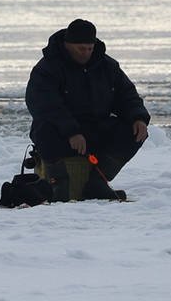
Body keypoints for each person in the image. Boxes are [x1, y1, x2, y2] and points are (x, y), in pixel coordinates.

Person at [25, 19, 150, 202]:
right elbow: (44, 105)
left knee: (133, 132)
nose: (86, 53)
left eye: (90, 49)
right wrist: (71, 131)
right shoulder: (47, 68)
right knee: (45, 132)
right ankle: (59, 185)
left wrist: (138, 117)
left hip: (96, 127)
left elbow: (127, 95)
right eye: (81, 49)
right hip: (59, 132)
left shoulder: (108, 66)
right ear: (68, 45)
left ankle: (97, 181)